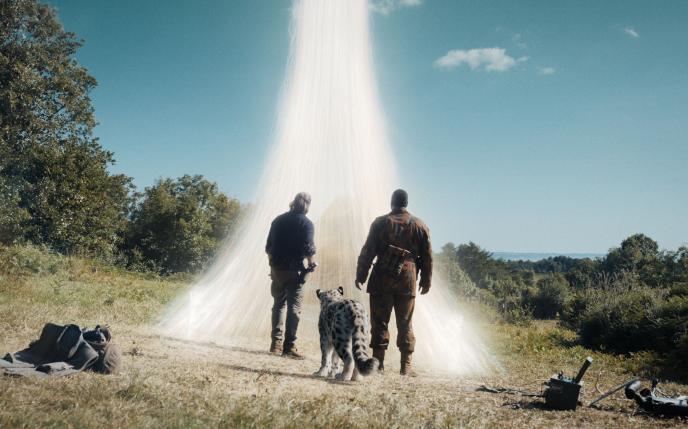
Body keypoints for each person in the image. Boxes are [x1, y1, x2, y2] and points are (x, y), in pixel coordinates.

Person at [355, 189, 432, 375]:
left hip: (382, 278)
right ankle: (406, 366)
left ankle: (378, 365)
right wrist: (426, 281)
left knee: (380, 321)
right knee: (405, 322)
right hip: (407, 280)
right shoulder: (420, 225)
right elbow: (428, 257)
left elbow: (368, 251)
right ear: (406, 203)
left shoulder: (380, 223)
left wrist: (361, 275)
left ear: (392, 203)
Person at [265, 192, 316, 359]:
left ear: (293, 203)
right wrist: (312, 263)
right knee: (294, 308)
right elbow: (309, 248)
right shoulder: (306, 224)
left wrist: (273, 265)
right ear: (307, 205)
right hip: (295, 271)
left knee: (278, 304)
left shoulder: (278, 220)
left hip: (277, 269)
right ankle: (289, 346)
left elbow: (268, 246)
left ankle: (275, 344)